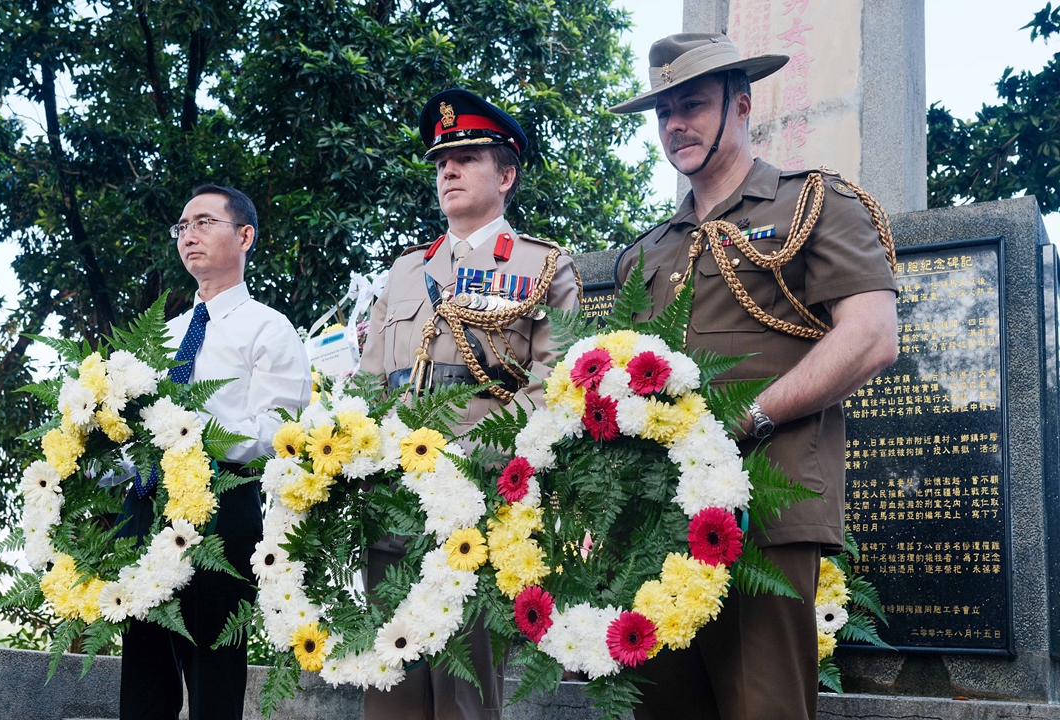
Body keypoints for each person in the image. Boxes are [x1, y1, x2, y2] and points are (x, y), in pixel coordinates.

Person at [610, 34, 899, 720]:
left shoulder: (812, 204)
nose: (675, 122)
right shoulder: (648, 251)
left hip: (763, 515)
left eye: (694, 104)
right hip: (657, 527)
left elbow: (872, 336)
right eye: (664, 111)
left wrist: (749, 417)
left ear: (741, 107)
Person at [359, 88, 581, 719]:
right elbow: (370, 385)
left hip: (479, 500)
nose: (447, 171)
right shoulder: (403, 273)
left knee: (464, 694)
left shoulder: (543, 267)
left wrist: (469, 463)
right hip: (393, 498)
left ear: (506, 174)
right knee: (390, 683)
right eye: (440, 163)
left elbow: (551, 388)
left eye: (466, 158)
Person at [118, 185, 313, 720]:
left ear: (245, 236)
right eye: (182, 226)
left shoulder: (269, 328)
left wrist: (191, 430)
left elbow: (279, 432)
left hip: (223, 509)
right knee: (142, 680)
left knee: (214, 683)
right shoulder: (166, 335)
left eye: (204, 222)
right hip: (148, 510)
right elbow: (138, 427)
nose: (189, 235)